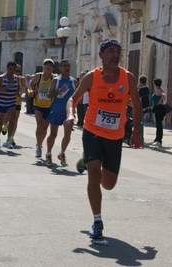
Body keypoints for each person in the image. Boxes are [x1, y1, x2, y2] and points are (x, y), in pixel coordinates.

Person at [64, 39, 143, 239]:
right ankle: (97, 220)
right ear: (101, 55)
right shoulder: (91, 77)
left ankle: (88, 159)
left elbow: (137, 104)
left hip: (115, 136)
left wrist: (136, 132)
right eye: (111, 51)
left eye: (118, 51)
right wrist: (70, 115)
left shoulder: (128, 78)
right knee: (94, 175)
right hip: (92, 131)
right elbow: (73, 98)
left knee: (108, 184)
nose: (115, 55)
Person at [45, 59, 76, 167]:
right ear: (60, 68)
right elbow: (49, 95)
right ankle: (48, 154)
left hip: (68, 114)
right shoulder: (56, 81)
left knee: (68, 133)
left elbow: (77, 97)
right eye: (65, 66)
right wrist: (58, 91)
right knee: (53, 134)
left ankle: (62, 153)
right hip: (56, 111)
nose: (67, 68)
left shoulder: (73, 82)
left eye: (68, 66)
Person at [29, 59, 55, 158]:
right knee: (39, 125)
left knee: (44, 128)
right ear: (43, 66)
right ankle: (38, 146)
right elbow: (31, 84)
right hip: (38, 104)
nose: (48, 66)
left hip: (49, 107)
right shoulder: (38, 76)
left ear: (53, 68)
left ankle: (40, 144)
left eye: (50, 65)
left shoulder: (54, 78)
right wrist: (31, 90)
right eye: (47, 65)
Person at [0, 61, 19, 149]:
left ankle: (9, 140)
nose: (11, 71)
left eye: (13, 69)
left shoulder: (16, 78)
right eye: (10, 69)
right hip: (1, 103)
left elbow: (17, 89)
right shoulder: (1, 78)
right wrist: (1, 89)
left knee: (12, 121)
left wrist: (17, 93)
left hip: (11, 103)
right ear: (7, 68)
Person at [1, 64, 27, 146]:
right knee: (5, 119)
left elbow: (26, 88)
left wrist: (29, 92)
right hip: (7, 101)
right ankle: (5, 126)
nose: (17, 72)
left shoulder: (21, 79)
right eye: (16, 70)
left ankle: (11, 137)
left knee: (15, 120)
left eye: (19, 71)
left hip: (17, 102)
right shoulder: (6, 78)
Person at [151, 78, 166, 146]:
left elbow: (163, 95)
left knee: (159, 124)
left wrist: (160, 101)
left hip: (158, 108)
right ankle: (157, 138)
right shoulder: (158, 90)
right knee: (158, 124)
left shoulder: (159, 90)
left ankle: (159, 140)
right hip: (156, 108)